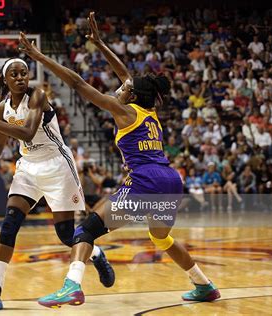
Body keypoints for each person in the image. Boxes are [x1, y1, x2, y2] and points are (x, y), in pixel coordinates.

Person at [18, 12, 220, 308]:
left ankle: (71, 287)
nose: (119, 88)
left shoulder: (124, 111)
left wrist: (39, 55)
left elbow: (76, 82)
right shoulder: (148, 112)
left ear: (132, 95)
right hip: (170, 180)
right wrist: (99, 44)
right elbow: (126, 74)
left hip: (146, 180)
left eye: (124, 88)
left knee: (86, 230)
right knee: (162, 238)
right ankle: (204, 285)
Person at [0, 57, 115, 310]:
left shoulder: (37, 96)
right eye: (15, 74)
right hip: (29, 167)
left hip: (57, 165)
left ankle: (97, 254)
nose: (21, 78)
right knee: (10, 223)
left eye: (24, 73)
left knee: (67, 234)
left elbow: (27, 133)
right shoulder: (2, 108)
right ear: (5, 79)